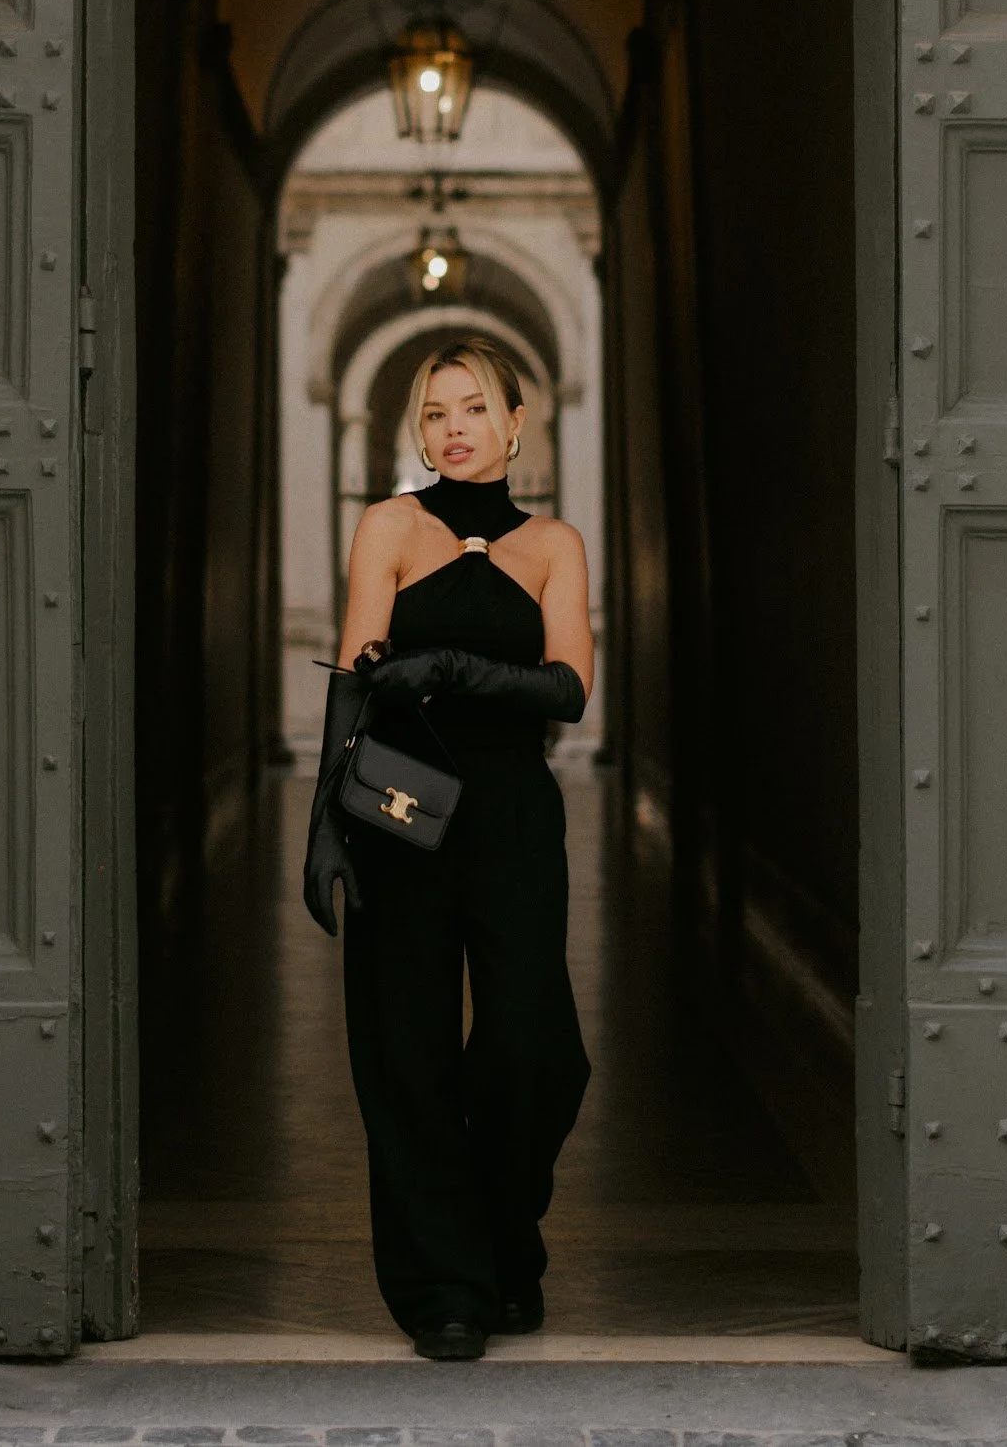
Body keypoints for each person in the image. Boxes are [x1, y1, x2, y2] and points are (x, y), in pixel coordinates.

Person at [302, 338, 594, 1361]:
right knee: (405, 1049)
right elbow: (351, 682)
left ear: (516, 423)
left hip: (512, 810)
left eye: (474, 408)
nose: (453, 428)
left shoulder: (553, 545)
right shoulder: (388, 525)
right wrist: (322, 828)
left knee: (535, 1048)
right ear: (418, 433)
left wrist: (455, 668)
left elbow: (569, 688)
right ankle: (445, 1290)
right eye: (435, 413)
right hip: (399, 801)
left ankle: (502, 1242)